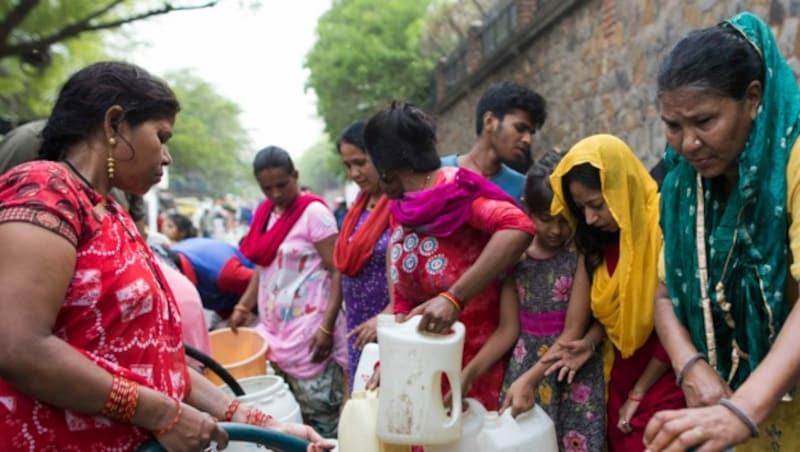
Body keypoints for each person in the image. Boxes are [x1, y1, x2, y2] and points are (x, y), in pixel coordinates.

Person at [0, 62, 332, 451]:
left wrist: (262, 422)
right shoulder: (47, 187)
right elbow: (18, 346)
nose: (167, 156)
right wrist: (161, 414)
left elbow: (160, 363)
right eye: (161, 136)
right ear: (114, 124)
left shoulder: (114, 215)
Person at [644, 12, 800, 451]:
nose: (687, 143)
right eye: (673, 126)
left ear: (752, 99)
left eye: (704, 121)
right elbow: (663, 294)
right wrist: (691, 366)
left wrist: (743, 407)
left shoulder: (794, 162)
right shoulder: (682, 187)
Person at [505, 135, 685, 451]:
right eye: (581, 209)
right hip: (618, 378)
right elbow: (615, 318)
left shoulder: (662, 227)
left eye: (596, 205)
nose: (589, 218)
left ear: (620, 186)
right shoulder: (595, 244)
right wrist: (589, 343)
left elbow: (676, 318)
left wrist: (640, 392)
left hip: (668, 375)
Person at [363, 102, 534, 410]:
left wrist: (454, 298)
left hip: (475, 369)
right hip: (423, 367)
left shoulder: (456, 191)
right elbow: (402, 301)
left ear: (387, 166)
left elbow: (518, 227)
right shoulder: (401, 207)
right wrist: (391, 361)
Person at [231, 146, 348, 438]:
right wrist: (243, 307)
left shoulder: (314, 213)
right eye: (267, 188)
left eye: (282, 185)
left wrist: (326, 326)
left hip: (309, 333)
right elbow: (263, 268)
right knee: (289, 419)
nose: (276, 194)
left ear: (295, 176)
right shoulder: (266, 215)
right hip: (275, 332)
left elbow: (337, 270)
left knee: (321, 416)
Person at [499, 150, 605, 451]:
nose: (557, 230)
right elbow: (508, 329)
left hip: (572, 370)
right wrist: (470, 374)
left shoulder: (581, 253)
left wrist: (529, 380)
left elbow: (574, 330)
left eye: (564, 220)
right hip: (524, 365)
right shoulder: (516, 256)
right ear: (526, 209)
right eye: (546, 220)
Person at [313, 120, 392, 393]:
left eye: (360, 162)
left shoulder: (401, 206)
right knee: (362, 398)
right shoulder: (356, 209)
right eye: (348, 166)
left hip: (389, 322)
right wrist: (329, 323)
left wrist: (388, 315)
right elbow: (341, 269)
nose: (355, 173)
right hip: (357, 323)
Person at [440, 81, 547, 204]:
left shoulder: (522, 190)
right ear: (489, 122)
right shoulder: (437, 172)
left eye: (531, 133)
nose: (528, 140)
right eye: (520, 128)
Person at [169, 237, 255, 321]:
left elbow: (261, 283)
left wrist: (243, 307)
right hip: (229, 304)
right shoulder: (172, 257)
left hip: (255, 298)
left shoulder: (226, 273)